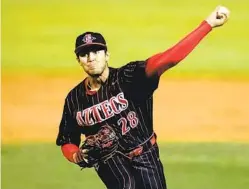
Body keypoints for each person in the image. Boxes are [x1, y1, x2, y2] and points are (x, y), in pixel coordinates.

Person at [56, 6, 230, 189]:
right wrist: (76, 156)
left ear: (107, 55)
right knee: (127, 185)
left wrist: (208, 24)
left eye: (96, 51)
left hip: (145, 155)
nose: (91, 58)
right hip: (109, 161)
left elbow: (168, 59)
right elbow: (67, 139)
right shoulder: (74, 99)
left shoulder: (130, 77)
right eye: (84, 54)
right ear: (79, 60)